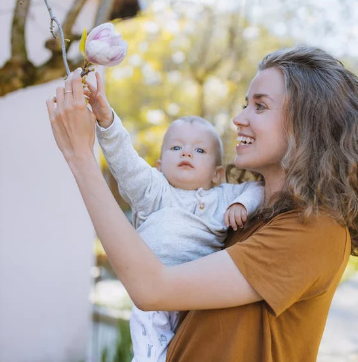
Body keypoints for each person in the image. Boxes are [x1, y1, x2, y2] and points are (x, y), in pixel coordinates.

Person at [46, 45, 358, 362]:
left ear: (309, 125)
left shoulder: (316, 230)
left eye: (260, 107)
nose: (238, 119)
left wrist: (80, 156)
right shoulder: (243, 215)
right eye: (245, 105)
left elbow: (152, 289)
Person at [86, 78, 263, 361]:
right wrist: (106, 121)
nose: (187, 153)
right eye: (176, 148)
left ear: (217, 174)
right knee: (150, 352)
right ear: (159, 165)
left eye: (200, 150)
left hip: (195, 297)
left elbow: (258, 189)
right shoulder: (153, 190)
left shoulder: (222, 196)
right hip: (152, 294)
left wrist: (242, 203)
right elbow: (124, 158)